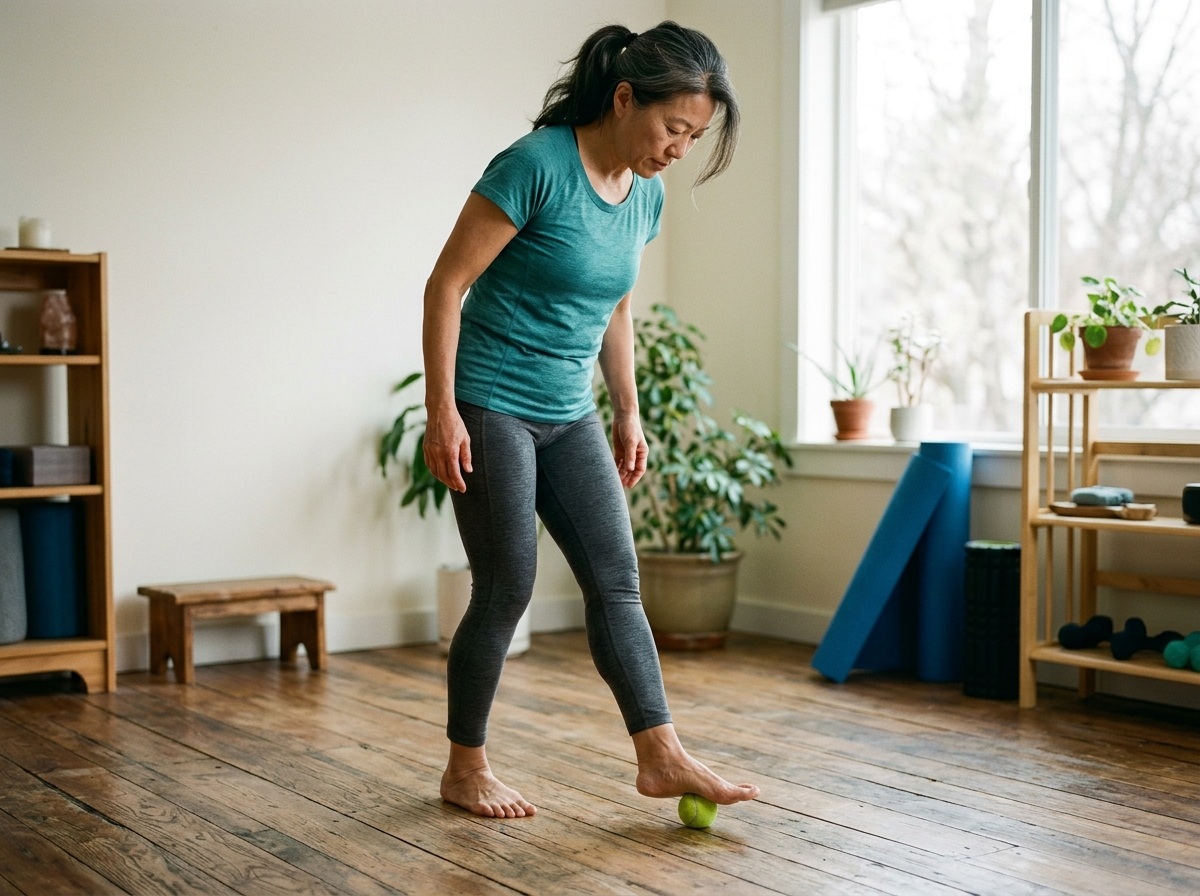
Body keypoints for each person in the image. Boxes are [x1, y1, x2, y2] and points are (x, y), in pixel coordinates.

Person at [422, 20, 758, 819]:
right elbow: (445, 287)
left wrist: (628, 412)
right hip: (489, 401)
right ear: (622, 98)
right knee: (508, 585)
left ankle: (661, 754)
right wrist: (442, 411)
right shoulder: (534, 166)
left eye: (694, 135)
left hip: (568, 410)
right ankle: (464, 767)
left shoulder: (646, 195)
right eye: (673, 127)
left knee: (617, 582)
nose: (679, 148)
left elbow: (616, 307)